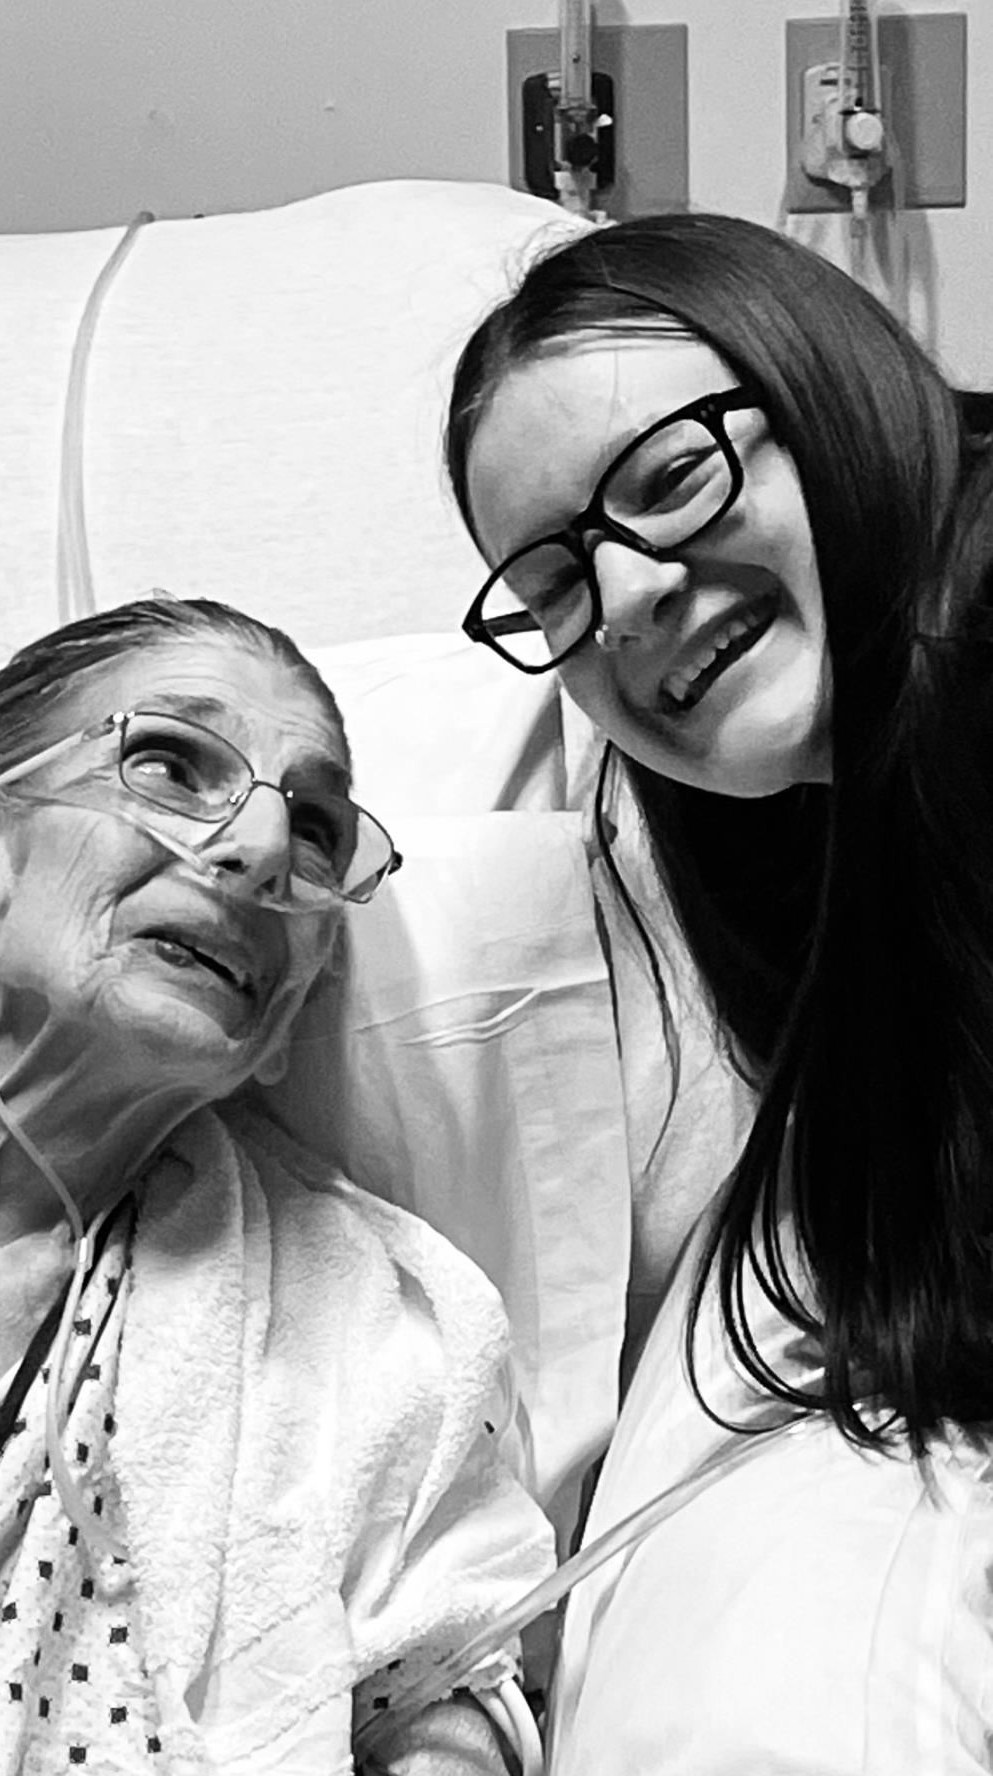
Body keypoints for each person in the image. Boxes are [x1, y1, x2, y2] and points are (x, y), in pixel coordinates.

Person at [0, 594, 555, 1776]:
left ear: (291, 1009)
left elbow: (454, 1669)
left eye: (314, 829)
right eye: (169, 761)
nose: (262, 850)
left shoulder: (383, 1331)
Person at [444, 211, 993, 1769]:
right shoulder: (838, 833)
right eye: (546, 582)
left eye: (669, 478)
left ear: (821, 379)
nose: (616, 598)